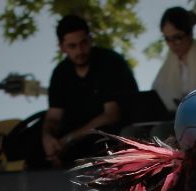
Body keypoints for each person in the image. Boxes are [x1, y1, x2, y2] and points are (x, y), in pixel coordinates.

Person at [35, 15, 138, 168]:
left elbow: (112, 115)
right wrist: (48, 138)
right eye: (72, 46)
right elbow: (53, 117)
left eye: (83, 43)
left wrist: (69, 139)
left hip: (112, 136)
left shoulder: (110, 62)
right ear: (62, 47)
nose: (80, 50)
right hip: (76, 141)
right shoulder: (60, 73)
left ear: (90, 39)